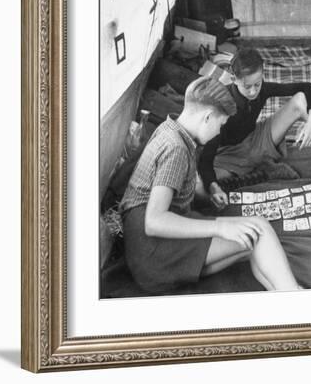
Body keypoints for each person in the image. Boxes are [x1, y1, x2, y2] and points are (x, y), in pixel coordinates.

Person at [119, 76, 300, 293]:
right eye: (220, 124)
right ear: (207, 117)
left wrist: (208, 192)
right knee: (259, 228)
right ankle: (296, 298)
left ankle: (289, 292)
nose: (219, 132)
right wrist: (220, 227)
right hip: (153, 249)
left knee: (249, 242)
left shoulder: (170, 129)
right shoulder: (176, 148)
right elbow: (154, 221)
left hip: (143, 258)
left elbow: (174, 184)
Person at [198, 48, 311, 210]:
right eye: (247, 87)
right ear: (234, 79)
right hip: (227, 156)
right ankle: (261, 173)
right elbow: (205, 160)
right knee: (199, 190)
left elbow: (307, 87)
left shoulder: (262, 90)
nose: (254, 91)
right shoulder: (222, 104)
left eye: (258, 84)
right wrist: (213, 187)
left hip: (257, 140)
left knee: (301, 101)